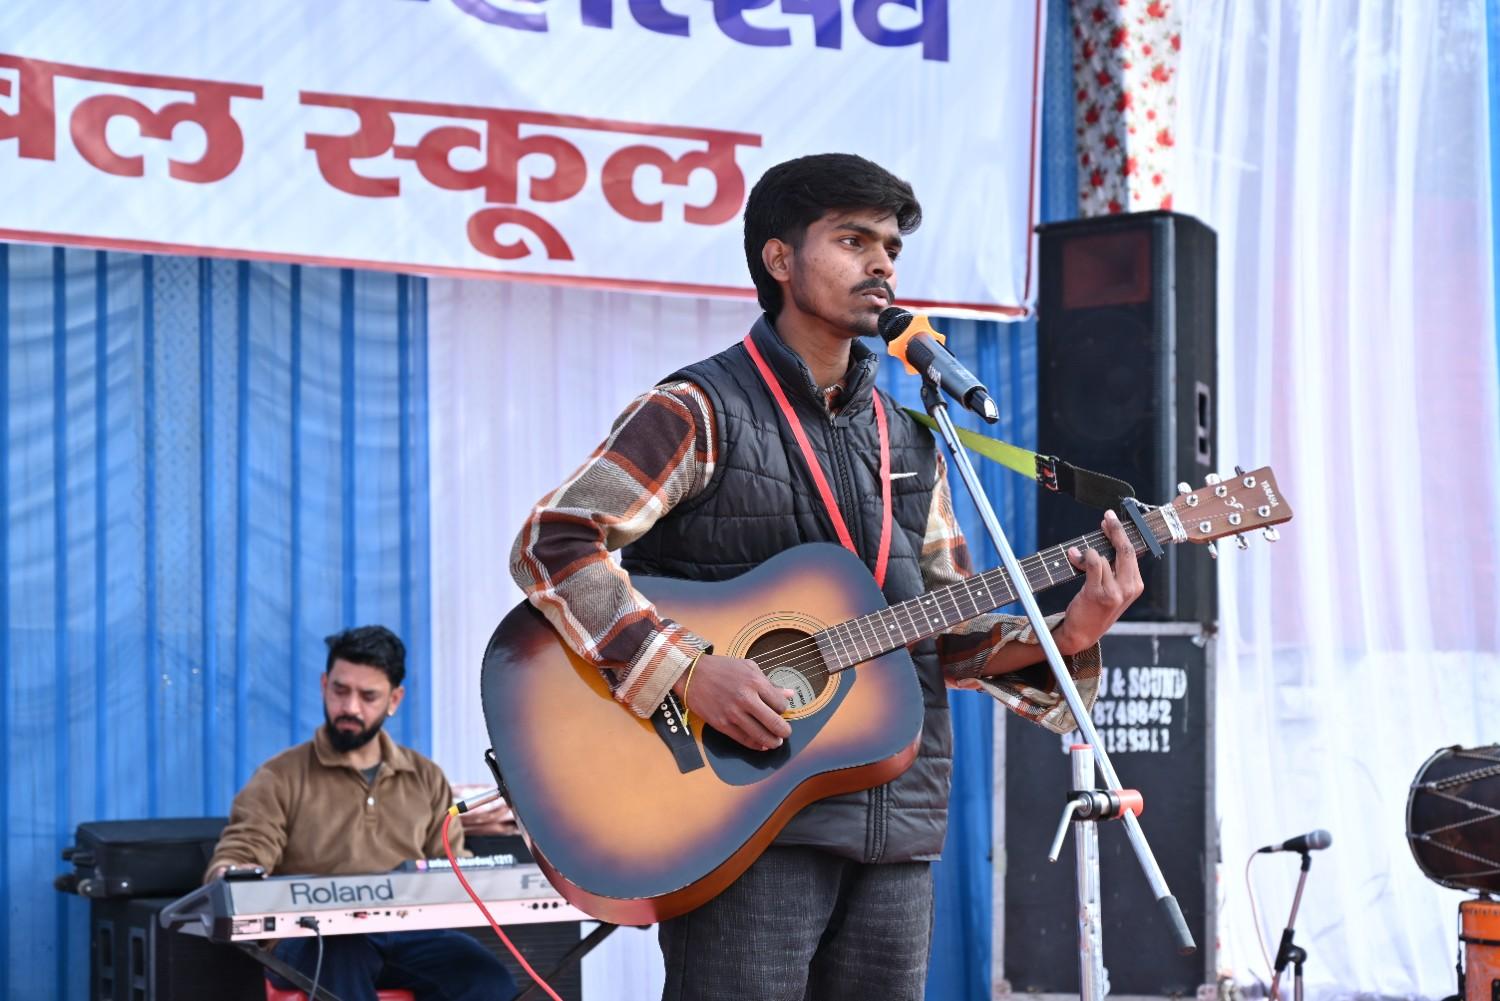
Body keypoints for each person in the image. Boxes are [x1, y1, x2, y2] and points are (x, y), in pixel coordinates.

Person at [509, 152, 1143, 1000]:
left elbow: (944, 634)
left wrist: (1070, 632)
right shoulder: (698, 409)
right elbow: (553, 542)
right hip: (741, 818)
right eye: (853, 240)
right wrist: (686, 671)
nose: (882, 265)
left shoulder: (911, 438)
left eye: (891, 248)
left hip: (897, 820)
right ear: (779, 258)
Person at [205, 625, 518, 1001]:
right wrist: (230, 872)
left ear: (394, 699)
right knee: (343, 950)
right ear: (324, 685)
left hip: (407, 933)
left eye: (368, 696)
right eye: (340, 691)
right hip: (312, 936)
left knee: (485, 979)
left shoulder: (426, 777)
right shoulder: (278, 777)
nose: (350, 708)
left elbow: (450, 867)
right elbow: (242, 851)